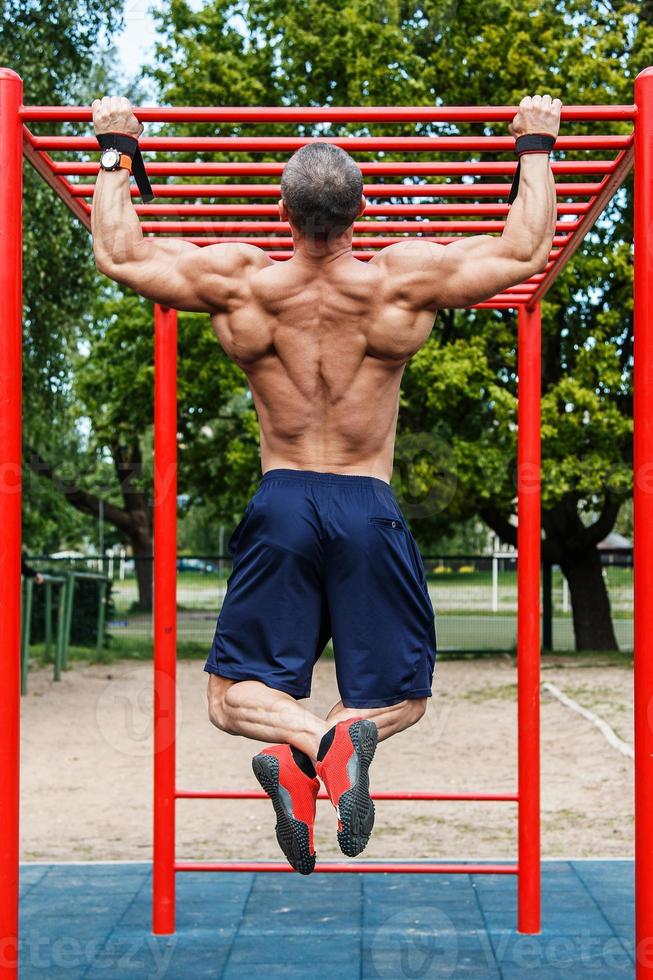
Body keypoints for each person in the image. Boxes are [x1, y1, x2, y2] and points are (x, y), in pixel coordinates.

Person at [91, 93, 561, 874]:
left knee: (227, 697)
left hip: (281, 503)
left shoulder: (240, 283)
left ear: (280, 211)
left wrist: (115, 145)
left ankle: (301, 755)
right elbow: (520, 251)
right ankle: (332, 746)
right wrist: (535, 143)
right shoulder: (399, 282)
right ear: (361, 210)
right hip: (364, 501)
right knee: (402, 696)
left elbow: (121, 254)